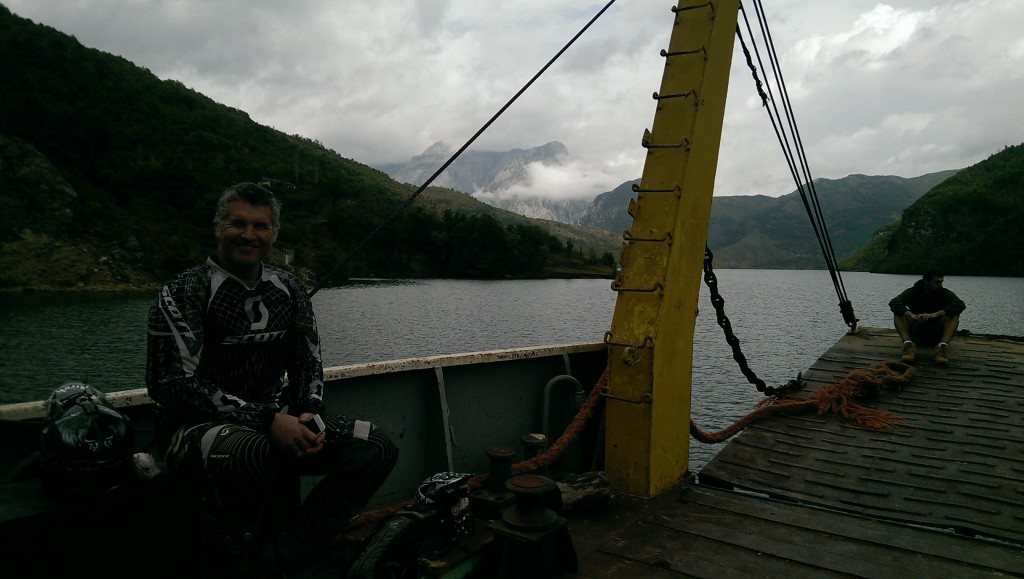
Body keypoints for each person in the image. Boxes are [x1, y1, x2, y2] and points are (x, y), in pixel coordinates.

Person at [146, 182, 398, 577]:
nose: (249, 235)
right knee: (253, 450)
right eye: (238, 224)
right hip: (191, 431)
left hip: (276, 421)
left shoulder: (289, 288)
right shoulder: (183, 291)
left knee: (375, 446)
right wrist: (267, 420)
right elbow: (172, 385)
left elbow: (307, 365)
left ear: (273, 233)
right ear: (218, 226)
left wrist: (308, 414)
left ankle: (285, 559)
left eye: (260, 227)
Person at [888, 269, 966, 366]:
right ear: (926, 281)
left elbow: (960, 304)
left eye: (941, 282)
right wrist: (911, 315)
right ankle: (908, 345)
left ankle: (942, 347)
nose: (940, 285)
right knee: (898, 312)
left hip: (936, 334)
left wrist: (935, 315)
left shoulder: (944, 293)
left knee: (954, 314)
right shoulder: (913, 292)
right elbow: (894, 302)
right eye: (936, 282)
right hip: (916, 331)